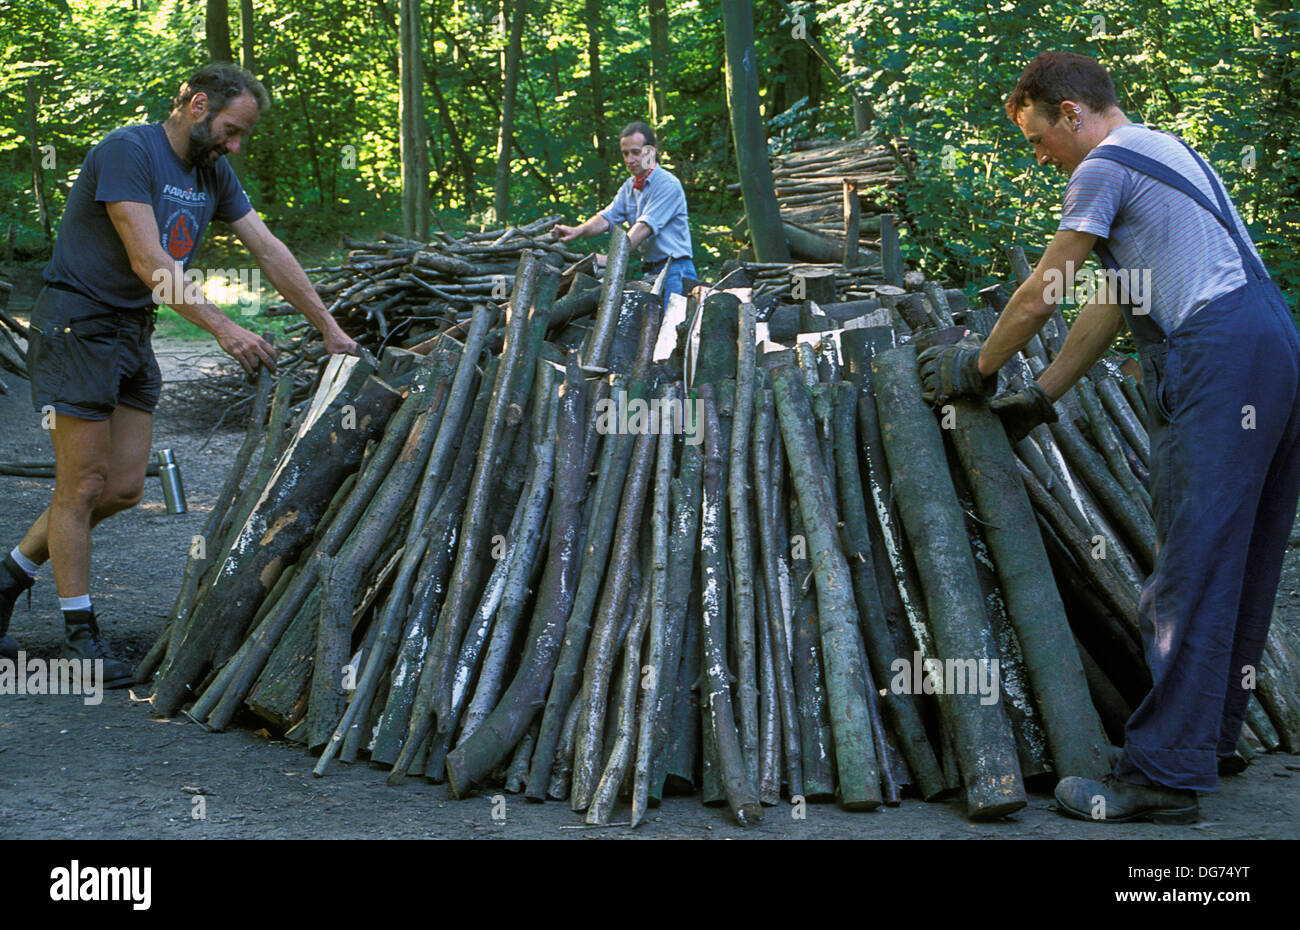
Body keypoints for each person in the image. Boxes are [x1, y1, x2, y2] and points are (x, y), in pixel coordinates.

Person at [917, 50, 1300, 824]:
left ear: (1070, 113)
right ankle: (1207, 741)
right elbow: (1111, 302)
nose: (1039, 157)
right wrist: (1043, 396)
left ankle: (1160, 776)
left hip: (1217, 354)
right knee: (1245, 558)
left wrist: (977, 366)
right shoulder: (1165, 151)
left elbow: (1045, 289)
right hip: (1272, 342)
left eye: (1036, 139)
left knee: (1189, 568)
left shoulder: (1102, 166)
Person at [0, 63, 358, 686]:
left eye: (242, 136)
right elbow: (147, 259)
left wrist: (329, 326)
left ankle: (9, 576)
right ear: (196, 104)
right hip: (77, 328)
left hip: (131, 333)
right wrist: (223, 326)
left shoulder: (211, 170)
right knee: (81, 485)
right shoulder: (126, 152)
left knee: (123, 489)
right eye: (231, 129)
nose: (235, 146)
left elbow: (267, 249)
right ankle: (81, 641)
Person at [553, 121, 697, 308]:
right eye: (625, 153)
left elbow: (643, 227)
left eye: (636, 152)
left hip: (676, 272)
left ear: (652, 151)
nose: (630, 159)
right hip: (652, 271)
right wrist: (577, 231)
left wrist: (613, 257)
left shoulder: (668, 185)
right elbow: (607, 217)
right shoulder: (629, 186)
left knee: (672, 331)